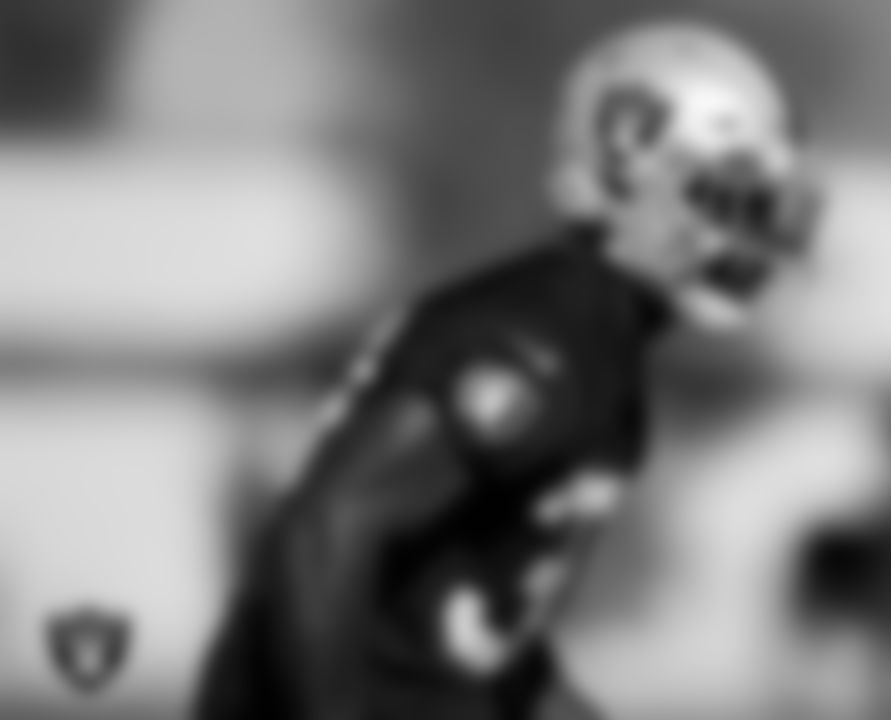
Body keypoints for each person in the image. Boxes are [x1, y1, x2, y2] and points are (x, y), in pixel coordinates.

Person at [195, 19, 823, 720]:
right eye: (719, 198)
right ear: (624, 167)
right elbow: (323, 531)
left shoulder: (602, 358)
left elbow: (484, 638)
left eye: (758, 207)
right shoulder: (538, 340)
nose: (742, 238)